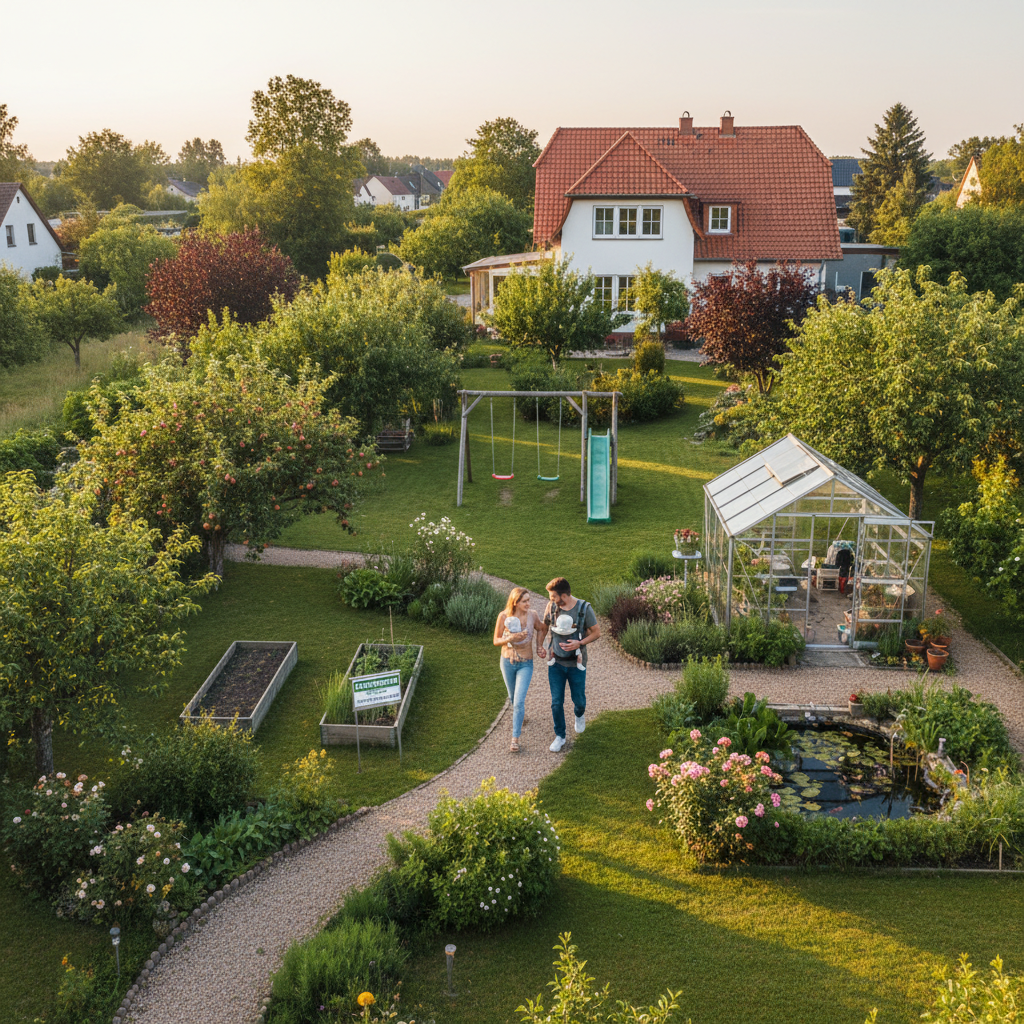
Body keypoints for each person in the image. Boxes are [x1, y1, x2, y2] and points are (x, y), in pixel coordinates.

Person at [543, 577, 600, 753]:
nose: (551, 600)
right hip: (556, 663)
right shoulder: (552, 607)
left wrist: (579, 643)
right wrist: (539, 645)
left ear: (564, 596)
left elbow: (596, 632)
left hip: (577, 664)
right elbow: (544, 626)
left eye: (553, 596)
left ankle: (579, 714)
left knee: (579, 701)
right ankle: (560, 736)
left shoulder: (584, 608)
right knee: (556, 702)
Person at [492, 587, 541, 753]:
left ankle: (515, 739)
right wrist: (511, 637)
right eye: (524, 601)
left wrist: (540, 646)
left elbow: (542, 628)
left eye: (529, 600)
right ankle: (521, 717)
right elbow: (496, 640)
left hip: (526, 663)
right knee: (513, 698)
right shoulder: (503, 616)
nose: (528, 604)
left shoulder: (532, 615)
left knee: (519, 701)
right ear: (515, 602)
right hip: (507, 662)